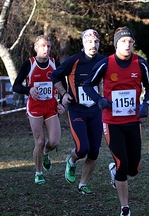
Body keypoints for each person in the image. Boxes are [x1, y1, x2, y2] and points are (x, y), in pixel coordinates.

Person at [83, 26, 149, 216]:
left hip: (133, 121)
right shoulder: (106, 64)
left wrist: (146, 104)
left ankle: (114, 171)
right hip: (111, 122)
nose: (128, 45)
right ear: (116, 44)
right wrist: (99, 100)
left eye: (130, 42)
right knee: (123, 164)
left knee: (134, 169)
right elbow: (87, 85)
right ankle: (125, 208)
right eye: (123, 41)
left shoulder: (141, 64)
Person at [51, 29, 105, 194]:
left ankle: (83, 184)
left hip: (96, 111)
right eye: (89, 42)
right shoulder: (73, 60)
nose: (93, 45)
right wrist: (64, 93)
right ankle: (71, 161)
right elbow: (55, 76)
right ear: (83, 43)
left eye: (95, 42)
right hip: (77, 110)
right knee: (82, 149)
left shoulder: (104, 61)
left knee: (94, 152)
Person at [13, 35, 65, 184]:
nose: (46, 49)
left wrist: (61, 101)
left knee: (54, 142)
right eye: (42, 46)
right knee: (40, 141)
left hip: (51, 106)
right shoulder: (28, 64)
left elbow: (62, 83)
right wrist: (28, 90)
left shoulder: (55, 63)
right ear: (36, 48)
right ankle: (38, 172)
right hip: (35, 108)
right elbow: (16, 86)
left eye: (48, 46)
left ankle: (45, 154)